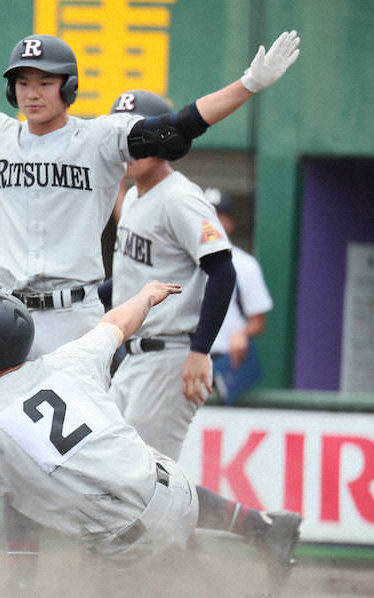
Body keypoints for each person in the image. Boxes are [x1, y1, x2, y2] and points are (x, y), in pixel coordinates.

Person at [0, 25, 301, 587]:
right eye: (22, 80)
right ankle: (23, 582)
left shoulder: (101, 139)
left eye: (45, 79)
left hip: (76, 319)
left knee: (121, 462)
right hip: (8, 318)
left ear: (67, 86)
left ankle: (224, 538)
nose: (32, 90)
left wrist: (247, 84)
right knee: (12, 450)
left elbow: (178, 126)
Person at [0, 284, 302, 598]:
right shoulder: (68, 361)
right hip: (177, 491)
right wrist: (147, 295)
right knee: (130, 467)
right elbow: (119, 322)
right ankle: (253, 530)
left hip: (133, 546)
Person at [103, 91, 235, 460]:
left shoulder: (180, 198)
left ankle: (241, 520)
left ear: (164, 141)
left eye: (139, 138)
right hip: (134, 356)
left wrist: (200, 351)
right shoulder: (132, 197)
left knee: (144, 478)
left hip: (170, 353)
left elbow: (222, 270)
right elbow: (134, 280)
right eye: (124, 138)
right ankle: (244, 520)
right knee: (115, 470)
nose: (129, 148)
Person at [204, 188, 274, 404]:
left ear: (230, 223)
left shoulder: (244, 265)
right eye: (206, 215)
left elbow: (259, 320)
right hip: (183, 361)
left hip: (226, 361)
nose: (212, 222)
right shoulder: (181, 261)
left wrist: (243, 333)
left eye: (219, 215)